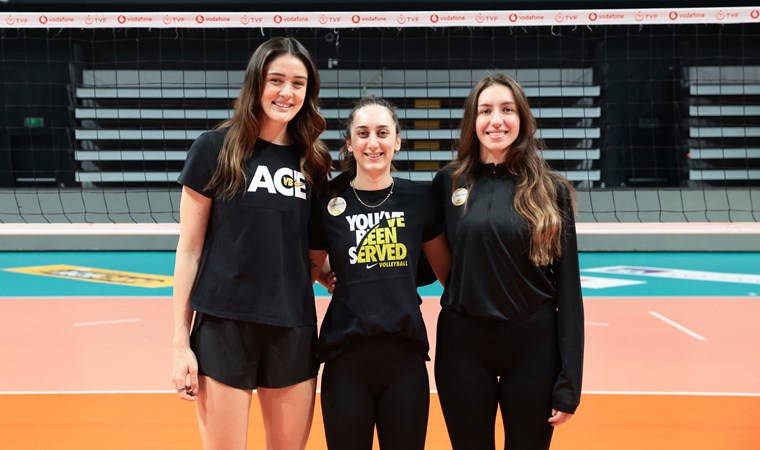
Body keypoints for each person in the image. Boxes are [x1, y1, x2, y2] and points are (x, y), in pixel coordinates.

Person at [171, 36, 331, 450]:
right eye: (276, 80)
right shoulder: (214, 148)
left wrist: (332, 273)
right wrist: (180, 343)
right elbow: (189, 250)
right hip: (224, 325)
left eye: (298, 83)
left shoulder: (313, 162)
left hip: (292, 326)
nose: (287, 92)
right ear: (256, 83)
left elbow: (310, 248)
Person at [432, 73, 584, 450]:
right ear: (472, 120)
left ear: (522, 119)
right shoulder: (448, 182)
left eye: (507, 110)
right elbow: (422, 259)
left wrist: (570, 380)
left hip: (533, 346)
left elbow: (569, 290)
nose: (496, 120)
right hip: (463, 345)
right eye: (485, 111)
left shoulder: (551, 189)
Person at [310, 97, 450, 450]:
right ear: (349, 143)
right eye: (363, 133)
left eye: (382, 133)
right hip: (345, 360)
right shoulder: (327, 199)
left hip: (404, 362)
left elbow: (446, 273)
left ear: (397, 141)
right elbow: (310, 264)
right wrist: (326, 275)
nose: (373, 143)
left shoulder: (419, 199)